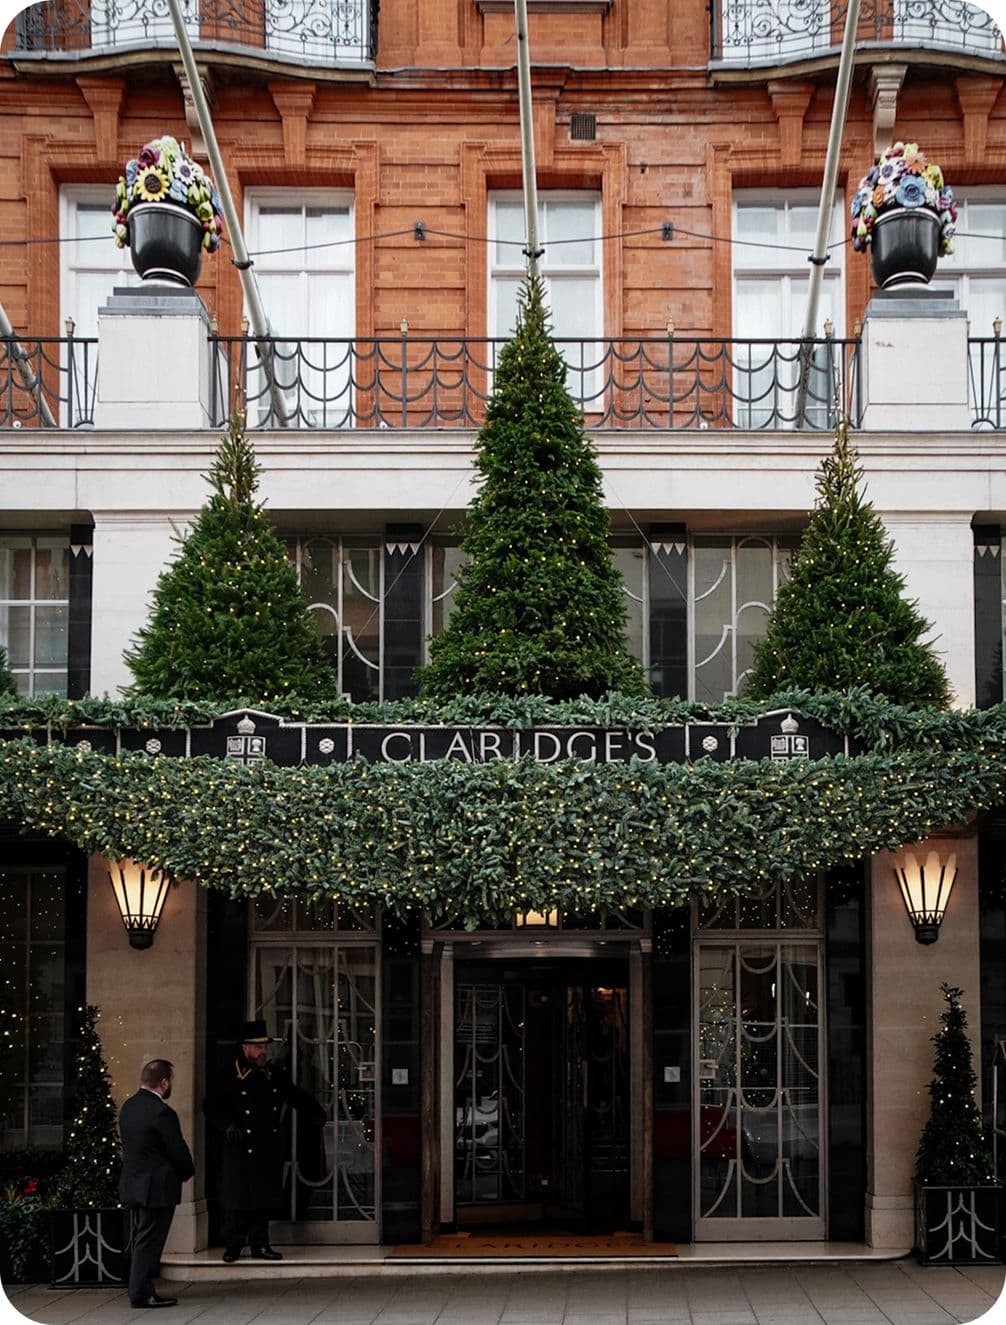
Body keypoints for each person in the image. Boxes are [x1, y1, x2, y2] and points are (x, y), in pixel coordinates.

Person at [203, 1018, 325, 1263]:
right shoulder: (228, 1074)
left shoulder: (273, 1075)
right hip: (239, 1146)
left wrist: (316, 1113)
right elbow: (211, 1106)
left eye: (265, 1047)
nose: (263, 1052)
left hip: (266, 1146)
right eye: (258, 1047)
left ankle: (260, 1244)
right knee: (237, 1198)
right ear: (245, 1047)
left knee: (263, 1198)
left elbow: (294, 1095)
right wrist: (227, 1125)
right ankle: (233, 1244)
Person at [118, 1058, 195, 1310]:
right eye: (171, 1080)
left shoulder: (128, 1107)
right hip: (156, 1187)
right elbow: (176, 1149)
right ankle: (140, 1292)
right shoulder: (162, 1112)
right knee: (149, 1241)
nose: (171, 1084)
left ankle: (140, 1287)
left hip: (134, 1183)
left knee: (143, 1238)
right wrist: (187, 1171)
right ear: (163, 1082)